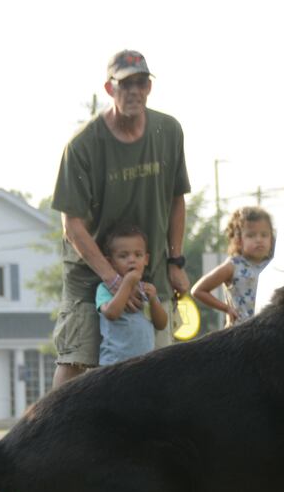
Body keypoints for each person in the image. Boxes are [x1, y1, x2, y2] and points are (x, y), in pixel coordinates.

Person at [50, 49, 192, 387]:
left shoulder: (168, 131)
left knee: (154, 370)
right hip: (91, 279)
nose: (134, 92)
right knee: (76, 363)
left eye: (141, 83)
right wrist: (113, 281)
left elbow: (177, 200)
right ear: (109, 88)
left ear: (149, 88)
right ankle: (52, 435)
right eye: (125, 85)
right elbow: (72, 225)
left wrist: (175, 261)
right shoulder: (83, 145)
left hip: (148, 276)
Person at [95, 221, 168, 365]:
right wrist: (127, 284)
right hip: (114, 364)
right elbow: (111, 313)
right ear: (110, 262)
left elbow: (161, 324)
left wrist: (153, 300)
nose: (132, 260)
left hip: (144, 363)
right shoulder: (104, 288)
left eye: (138, 255)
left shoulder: (147, 289)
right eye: (123, 256)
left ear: (146, 259)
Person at [191, 206, 274, 327]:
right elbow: (198, 290)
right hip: (240, 333)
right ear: (239, 240)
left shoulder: (275, 266)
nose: (259, 240)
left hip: (269, 331)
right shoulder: (234, 266)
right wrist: (227, 309)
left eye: (264, 235)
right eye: (251, 235)